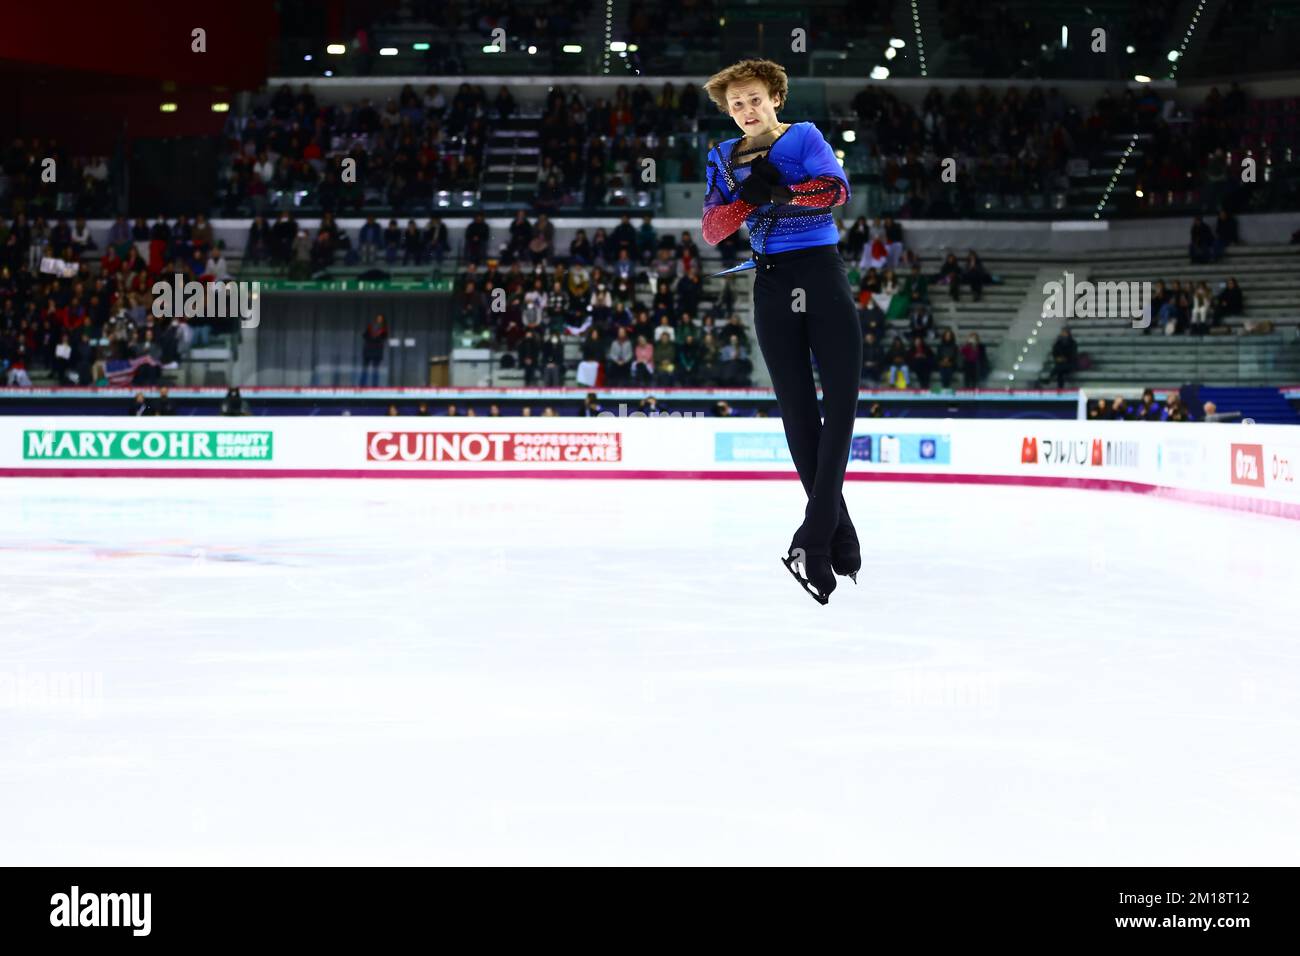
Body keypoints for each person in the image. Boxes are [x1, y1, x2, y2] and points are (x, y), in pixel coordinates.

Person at [702, 58, 861, 603]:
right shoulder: (722, 158)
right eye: (735, 104)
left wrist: (783, 195)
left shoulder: (805, 136)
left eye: (754, 98)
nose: (745, 110)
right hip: (771, 283)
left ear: (775, 97)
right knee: (798, 412)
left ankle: (814, 537)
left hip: (820, 272)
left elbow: (836, 192)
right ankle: (835, 529)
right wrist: (748, 198)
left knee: (839, 406)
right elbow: (713, 229)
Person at [360, 314, 387, 386]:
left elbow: (384, 338)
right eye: (378, 319)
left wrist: (378, 336)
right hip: (368, 351)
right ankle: (362, 385)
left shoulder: (383, 329)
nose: (379, 320)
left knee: (375, 370)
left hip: (377, 352)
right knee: (365, 369)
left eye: (381, 319)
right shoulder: (370, 327)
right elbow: (364, 336)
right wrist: (371, 336)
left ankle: (374, 385)